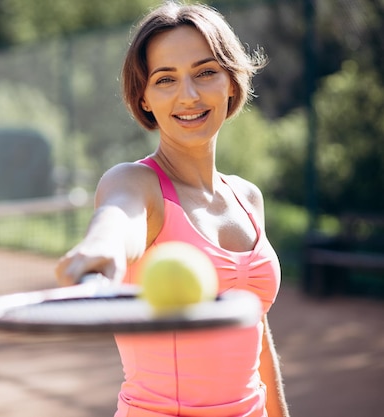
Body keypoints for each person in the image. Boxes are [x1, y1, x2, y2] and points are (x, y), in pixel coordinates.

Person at [55, 2, 290, 417]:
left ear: (231, 83)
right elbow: (116, 218)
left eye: (205, 72)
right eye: (166, 79)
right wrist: (102, 250)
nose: (190, 95)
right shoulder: (135, 183)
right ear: (143, 98)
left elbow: (253, 326)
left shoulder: (247, 198)